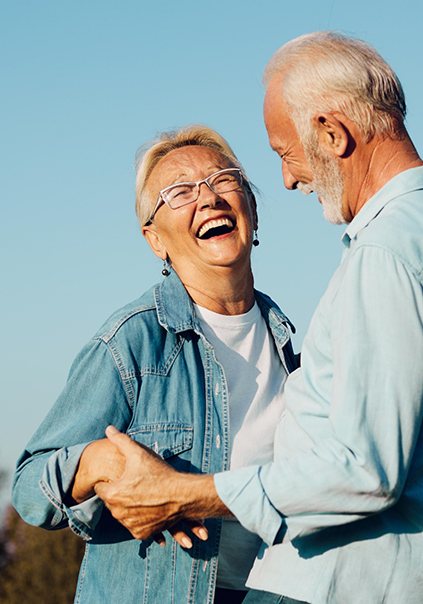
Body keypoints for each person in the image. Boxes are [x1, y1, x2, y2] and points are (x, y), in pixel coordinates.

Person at [93, 32, 423, 604]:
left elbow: (364, 472)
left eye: (285, 151)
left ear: (333, 133)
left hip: (323, 585)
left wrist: (186, 494)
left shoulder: (385, 254)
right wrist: (406, 434)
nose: (287, 178)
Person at [12, 125, 298, 604]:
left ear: (252, 209)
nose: (208, 198)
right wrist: (94, 461)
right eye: (180, 191)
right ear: (154, 240)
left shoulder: (290, 344)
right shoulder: (131, 343)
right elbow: (28, 486)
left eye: (224, 180)